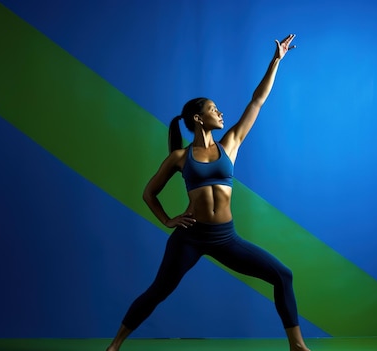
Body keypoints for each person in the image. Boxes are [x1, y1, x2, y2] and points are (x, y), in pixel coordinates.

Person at [106, 34, 311, 351]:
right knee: (158, 290)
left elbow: (256, 101)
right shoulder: (179, 157)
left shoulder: (230, 144)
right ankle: (115, 345)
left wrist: (276, 60)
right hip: (190, 238)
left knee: (282, 275)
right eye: (214, 109)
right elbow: (149, 193)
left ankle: (297, 345)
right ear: (198, 118)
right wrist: (167, 220)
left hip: (226, 238)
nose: (221, 113)